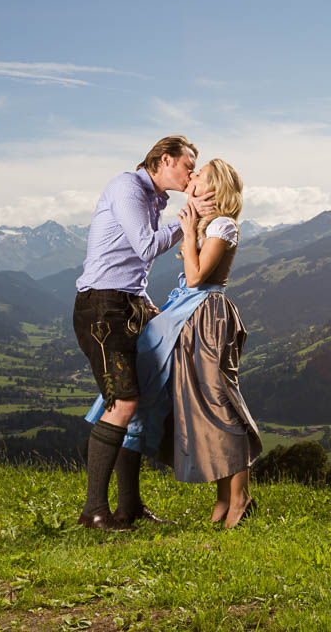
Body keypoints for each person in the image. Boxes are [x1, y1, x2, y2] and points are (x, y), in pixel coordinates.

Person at [74, 135, 213, 531]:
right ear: (164, 160)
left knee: (140, 403)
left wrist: (144, 300)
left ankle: (129, 506)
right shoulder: (127, 187)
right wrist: (188, 219)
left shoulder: (154, 198)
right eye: (187, 165)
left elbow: (128, 264)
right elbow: (146, 246)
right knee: (123, 402)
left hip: (127, 304)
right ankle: (93, 512)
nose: (190, 174)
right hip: (102, 309)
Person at [135, 158, 262, 529]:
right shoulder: (208, 223)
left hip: (209, 317)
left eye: (199, 176)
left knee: (221, 401)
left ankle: (239, 497)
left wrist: (189, 231)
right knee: (205, 404)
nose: (191, 179)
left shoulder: (222, 225)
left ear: (214, 188)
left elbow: (195, 278)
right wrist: (189, 223)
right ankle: (224, 499)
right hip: (193, 318)